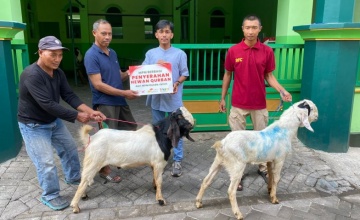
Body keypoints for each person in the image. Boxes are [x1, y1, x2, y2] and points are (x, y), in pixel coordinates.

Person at [17, 36, 106, 211]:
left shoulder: (58, 72)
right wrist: (77, 116)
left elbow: (68, 95)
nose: (57, 59)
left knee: (70, 149)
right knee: (46, 162)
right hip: (33, 125)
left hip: (53, 121)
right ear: (41, 52)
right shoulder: (31, 75)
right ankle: (49, 194)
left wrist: (89, 111)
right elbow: (48, 105)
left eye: (60, 55)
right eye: (53, 55)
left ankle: (73, 177)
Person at [219, 15, 292, 191]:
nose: (250, 31)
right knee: (238, 142)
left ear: (260, 29)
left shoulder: (267, 52)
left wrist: (282, 90)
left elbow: (269, 76)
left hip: (259, 105)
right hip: (238, 104)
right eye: (247, 27)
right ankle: (239, 174)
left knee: (263, 141)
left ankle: (262, 168)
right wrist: (222, 97)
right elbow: (228, 74)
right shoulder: (233, 51)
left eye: (254, 27)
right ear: (242, 29)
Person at [84, 19, 139, 183]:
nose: (107, 37)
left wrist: (135, 71)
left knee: (129, 128)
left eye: (110, 34)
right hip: (105, 103)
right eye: (103, 33)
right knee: (106, 137)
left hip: (120, 101)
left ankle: (120, 159)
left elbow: (119, 76)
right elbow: (98, 84)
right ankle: (103, 169)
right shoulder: (91, 55)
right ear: (94, 33)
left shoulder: (112, 53)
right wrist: (124, 92)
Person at [142, 20, 189, 177]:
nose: (164, 35)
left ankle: (177, 160)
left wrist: (177, 82)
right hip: (157, 99)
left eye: (167, 31)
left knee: (176, 129)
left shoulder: (179, 54)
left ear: (172, 34)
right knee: (158, 130)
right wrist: (154, 66)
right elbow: (143, 72)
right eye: (161, 32)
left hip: (173, 100)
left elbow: (185, 73)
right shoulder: (150, 54)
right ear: (156, 34)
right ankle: (160, 156)